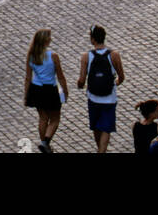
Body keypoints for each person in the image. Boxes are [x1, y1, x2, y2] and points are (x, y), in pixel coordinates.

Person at [77, 26, 124, 154]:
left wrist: (80, 85)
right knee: (106, 128)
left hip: (93, 98)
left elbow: (81, 80)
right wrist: (114, 84)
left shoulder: (86, 56)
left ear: (92, 40)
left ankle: (100, 150)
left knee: (96, 127)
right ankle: (101, 151)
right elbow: (121, 77)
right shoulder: (114, 55)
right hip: (109, 99)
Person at [24, 29, 68, 153]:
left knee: (43, 118)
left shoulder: (31, 55)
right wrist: (65, 90)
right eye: (49, 37)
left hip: (36, 90)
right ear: (45, 41)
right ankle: (45, 142)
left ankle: (45, 146)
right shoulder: (53, 56)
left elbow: (28, 77)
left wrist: (26, 95)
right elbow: (60, 76)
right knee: (55, 119)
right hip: (50, 90)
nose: (51, 39)